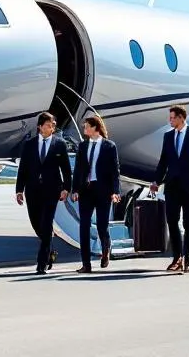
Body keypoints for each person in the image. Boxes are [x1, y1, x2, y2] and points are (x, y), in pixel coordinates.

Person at [149, 105, 189, 273]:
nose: (170, 120)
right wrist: (156, 181)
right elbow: (163, 162)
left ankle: (188, 259)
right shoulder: (168, 137)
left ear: (182, 118)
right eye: (170, 118)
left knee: (188, 224)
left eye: (172, 118)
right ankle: (177, 257)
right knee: (172, 222)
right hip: (172, 187)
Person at [15, 111, 72, 274]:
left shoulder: (59, 144)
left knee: (46, 225)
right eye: (49, 125)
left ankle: (42, 263)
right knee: (36, 224)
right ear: (40, 127)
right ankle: (50, 251)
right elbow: (23, 168)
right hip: (32, 190)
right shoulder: (29, 144)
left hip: (52, 190)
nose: (52, 127)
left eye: (53, 125)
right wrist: (19, 190)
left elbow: (66, 170)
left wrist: (66, 188)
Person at [70, 114, 121, 273]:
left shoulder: (109, 146)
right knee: (84, 226)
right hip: (86, 190)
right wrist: (75, 189)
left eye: (87, 126)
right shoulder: (83, 146)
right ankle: (86, 264)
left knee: (101, 225)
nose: (84, 128)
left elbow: (115, 171)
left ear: (95, 128)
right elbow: (78, 170)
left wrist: (115, 191)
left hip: (103, 190)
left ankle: (105, 249)